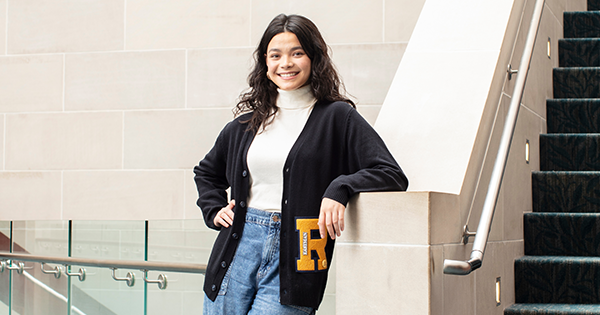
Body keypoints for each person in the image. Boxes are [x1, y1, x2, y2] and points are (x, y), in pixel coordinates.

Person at [194, 13, 408, 315]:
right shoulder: (245, 124)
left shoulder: (337, 118)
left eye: (297, 53)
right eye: (276, 55)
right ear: (265, 64)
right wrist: (214, 209)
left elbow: (391, 173)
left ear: (313, 58)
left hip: (301, 251)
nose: (286, 63)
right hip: (237, 247)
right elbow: (206, 172)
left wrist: (340, 188)